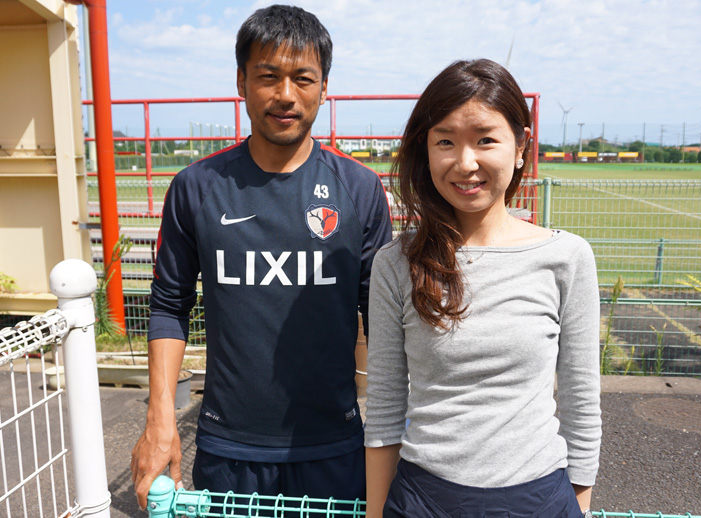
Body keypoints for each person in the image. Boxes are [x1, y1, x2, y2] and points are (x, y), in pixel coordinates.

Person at [130, 5, 392, 510]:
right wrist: (160, 421)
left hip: (333, 445)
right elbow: (168, 306)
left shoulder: (358, 189)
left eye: (303, 78)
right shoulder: (196, 187)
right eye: (268, 76)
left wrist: (394, 429)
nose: (286, 95)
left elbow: (382, 318)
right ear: (241, 82)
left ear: (324, 87)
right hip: (227, 447)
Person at [364, 59, 601, 518]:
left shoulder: (567, 257)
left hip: (539, 497)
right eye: (445, 141)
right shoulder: (395, 263)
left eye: (485, 139)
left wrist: (579, 507)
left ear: (521, 146)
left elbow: (580, 400)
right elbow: (386, 409)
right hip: (424, 499)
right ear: (425, 150)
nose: (465, 162)